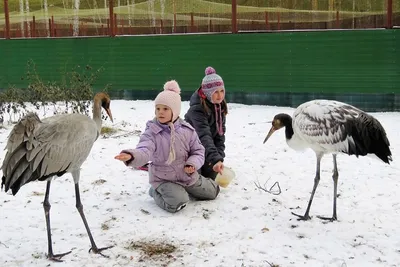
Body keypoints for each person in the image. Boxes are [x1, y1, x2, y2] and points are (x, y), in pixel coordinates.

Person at [115, 80, 220, 213]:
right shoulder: (152, 131)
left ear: (175, 111)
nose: (160, 112)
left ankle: (184, 188)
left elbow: (198, 151)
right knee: (178, 202)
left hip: (186, 175)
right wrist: (132, 155)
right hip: (163, 178)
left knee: (213, 192)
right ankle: (155, 191)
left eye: (165, 109)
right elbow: (145, 149)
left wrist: (192, 164)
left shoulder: (187, 130)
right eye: (158, 108)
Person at [184, 66, 227, 181]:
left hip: (205, 151)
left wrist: (219, 158)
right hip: (189, 151)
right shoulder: (197, 110)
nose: (220, 96)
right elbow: (204, 136)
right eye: (215, 92)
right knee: (193, 177)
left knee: (214, 174)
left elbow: (220, 136)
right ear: (207, 93)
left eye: (222, 91)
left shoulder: (219, 107)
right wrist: (215, 159)